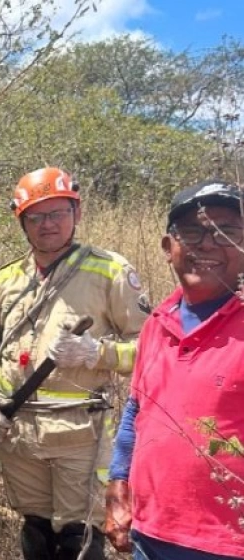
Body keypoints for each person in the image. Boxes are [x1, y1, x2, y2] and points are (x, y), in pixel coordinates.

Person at [0, 167, 150, 559]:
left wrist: (96, 352)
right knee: (34, 534)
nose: (47, 224)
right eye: (36, 216)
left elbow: (151, 348)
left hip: (79, 432)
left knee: (77, 539)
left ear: (76, 214)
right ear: (22, 221)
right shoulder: (4, 281)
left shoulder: (110, 271)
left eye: (58, 213)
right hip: (16, 431)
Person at [105, 180, 244, 560]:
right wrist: (118, 481)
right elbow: (136, 410)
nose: (208, 242)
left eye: (226, 231)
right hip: (150, 534)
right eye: (192, 231)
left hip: (227, 543)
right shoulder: (156, 322)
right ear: (169, 248)